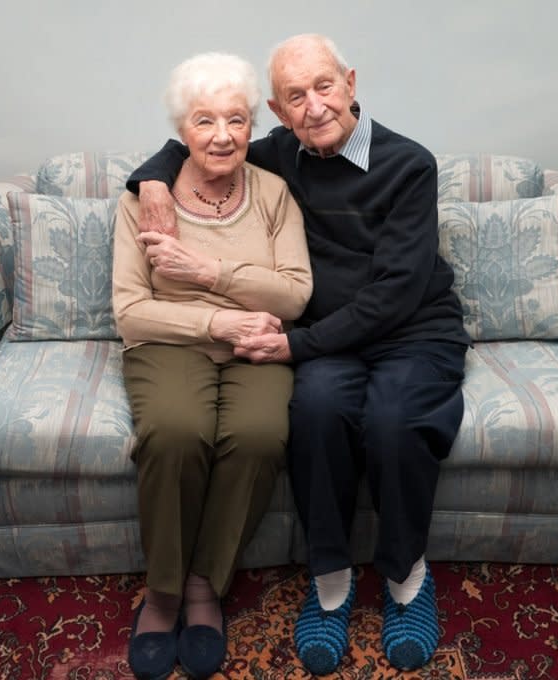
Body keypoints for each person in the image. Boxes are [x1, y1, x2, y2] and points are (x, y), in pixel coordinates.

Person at [127, 34, 470, 675]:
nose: (314, 107)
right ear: (280, 114)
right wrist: (150, 177)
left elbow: (394, 296)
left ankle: (406, 581)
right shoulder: (283, 153)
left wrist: (295, 343)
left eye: (324, 86)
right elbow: (206, 141)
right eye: (294, 97)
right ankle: (331, 584)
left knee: (395, 425)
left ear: (350, 82)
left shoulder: (409, 165)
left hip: (411, 330)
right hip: (330, 337)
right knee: (312, 410)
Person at [113, 51, 313, 680]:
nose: (222, 135)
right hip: (171, 344)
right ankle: (164, 590)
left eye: (236, 119)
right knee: (175, 431)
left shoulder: (275, 192)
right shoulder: (146, 201)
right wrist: (218, 320)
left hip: (258, 345)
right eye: (204, 121)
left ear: (253, 125)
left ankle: (204, 583)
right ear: (181, 131)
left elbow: (295, 295)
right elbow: (131, 311)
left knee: (259, 435)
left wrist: (215, 278)